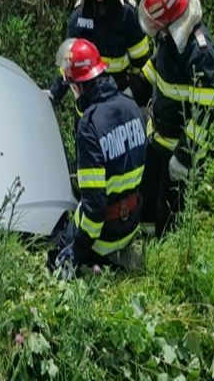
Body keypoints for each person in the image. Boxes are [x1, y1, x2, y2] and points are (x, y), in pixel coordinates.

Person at [50, 38, 147, 274]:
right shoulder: (132, 106)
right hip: (132, 222)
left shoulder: (89, 126)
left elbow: (94, 209)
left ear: (78, 86)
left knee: (56, 248)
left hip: (105, 235)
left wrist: (78, 250)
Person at [137, 0, 214, 238]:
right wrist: (130, 90)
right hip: (158, 137)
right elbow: (157, 67)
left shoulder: (200, 52)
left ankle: (164, 261)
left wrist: (183, 158)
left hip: (179, 151)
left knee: (168, 211)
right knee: (147, 198)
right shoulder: (171, 36)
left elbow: (204, 115)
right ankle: (145, 248)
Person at [48, 0, 153, 107]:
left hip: (118, 101)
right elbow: (68, 65)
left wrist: (131, 99)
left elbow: (145, 67)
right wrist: (54, 94)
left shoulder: (127, 15)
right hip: (87, 106)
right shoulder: (79, 16)